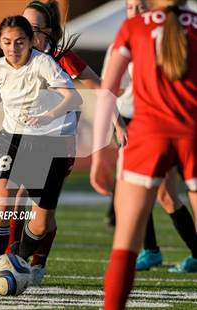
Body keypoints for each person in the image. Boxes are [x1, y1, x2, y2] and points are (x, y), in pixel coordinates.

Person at [0, 0, 104, 289]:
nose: (21, 36)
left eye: (31, 29)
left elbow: (96, 88)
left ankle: (32, 260)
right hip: (16, 137)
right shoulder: (6, 55)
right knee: (8, 196)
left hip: (56, 141)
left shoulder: (58, 58)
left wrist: (117, 123)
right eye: (20, 27)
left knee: (42, 218)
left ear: (46, 32)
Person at [90, 1, 197, 308]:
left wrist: (99, 153)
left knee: (125, 245)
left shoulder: (135, 27)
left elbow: (107, 91)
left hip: (147, 135)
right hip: (193, 133)